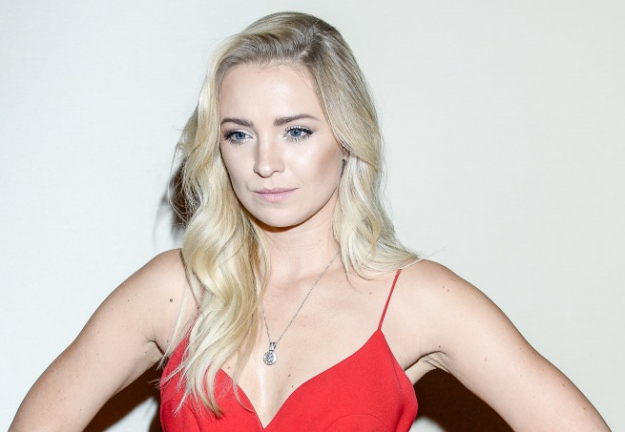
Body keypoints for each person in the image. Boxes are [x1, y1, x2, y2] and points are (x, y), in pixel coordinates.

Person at [10, 11, 610, 432]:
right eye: (238, 135)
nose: (265, 163)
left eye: (296, 131)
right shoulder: (175, 290)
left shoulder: (417, 301)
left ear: (346, 139)